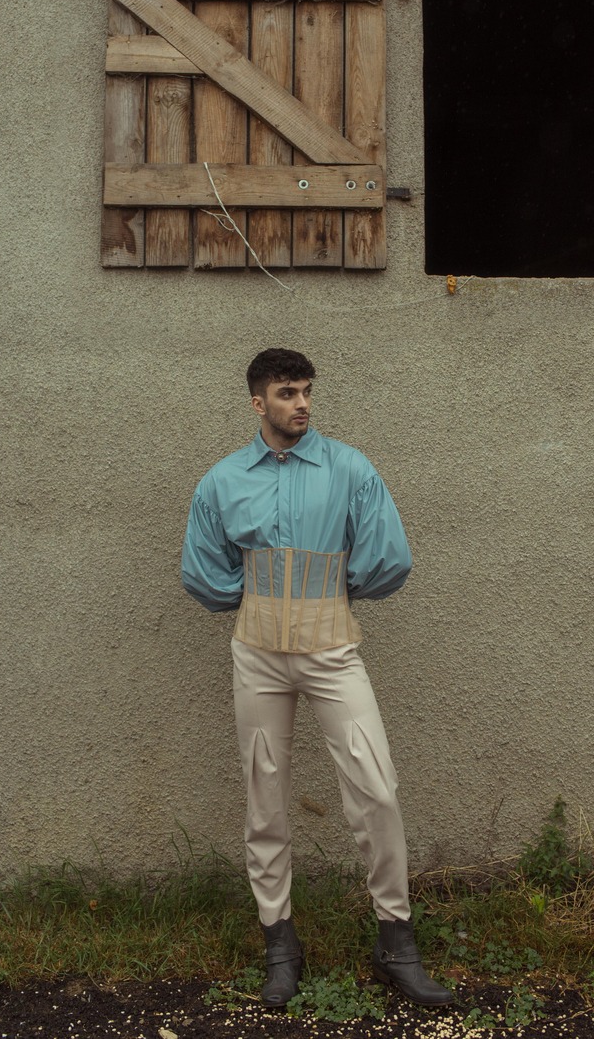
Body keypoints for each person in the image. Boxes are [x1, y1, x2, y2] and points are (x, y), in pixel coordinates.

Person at [181, 348, 452, 1009]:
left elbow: (389, 556)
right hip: (257, 654)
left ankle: (397, 944)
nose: (301, 403)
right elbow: (203, 569)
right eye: (286, 393)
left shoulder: (350, 468)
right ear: (258, 403)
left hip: (332, 648)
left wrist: (326, 595)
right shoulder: (222, 480)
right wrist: (258, 599)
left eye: (306, 391)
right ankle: (281, 946)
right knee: (264, 795)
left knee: (376, 786)